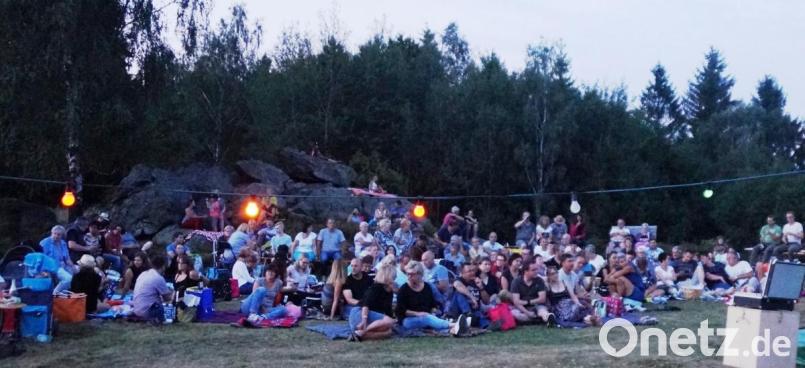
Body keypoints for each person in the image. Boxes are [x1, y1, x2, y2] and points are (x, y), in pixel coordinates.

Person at [396, 261, 466, 335]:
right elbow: (401, 310)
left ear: (420, 274)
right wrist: (418, 314)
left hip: (427, 315)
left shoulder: (427, 287)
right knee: (427, 319)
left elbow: (432, 304)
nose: (409, 277)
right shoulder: (403, 289)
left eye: (412, 274)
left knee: (432, 319)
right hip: (407, 320)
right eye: (408, 274)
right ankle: (454, 325)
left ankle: (454, 330)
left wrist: (434, 310)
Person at [348, 256, 397, 341]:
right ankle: (363, 331)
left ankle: (359, 336)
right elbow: (365, 304)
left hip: (372, 316)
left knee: (389, 331)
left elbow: (388, 311)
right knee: (390, 322)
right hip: (360, 313)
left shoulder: (389, 290)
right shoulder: (376, 287)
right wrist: (364, 320)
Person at [510, 260, 555, 325]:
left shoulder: (539, 280)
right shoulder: (516, 282)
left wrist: (528, 302)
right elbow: (516, 302)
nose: (536, 272)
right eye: (533, 270)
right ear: (526, 271)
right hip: (522, 308)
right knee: (514, 313)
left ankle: (547, 318)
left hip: (537, 305)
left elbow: (542, 299)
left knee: (542, 311)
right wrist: (527, 312)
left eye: (537, 269)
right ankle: (538, 319)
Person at [132, 255, 174, 323]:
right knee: (172, 305)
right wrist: (174, 293)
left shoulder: (143, 274)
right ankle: (168, 320)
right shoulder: (158, 278)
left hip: (137, 310)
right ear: (163, 266)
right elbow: (167, 298)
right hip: (148, 312)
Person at [447, 263, 489, 328]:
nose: (472, 273)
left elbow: (486, 302)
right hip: (458, 311)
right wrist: (472, 298)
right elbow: (457, 285)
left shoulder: (477, 281)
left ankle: (486, 325)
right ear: (462, 273)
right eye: (469, 271)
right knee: (458, 293)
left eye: (473, 270)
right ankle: (468, 314)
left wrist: (481, 288)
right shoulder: (459, 280)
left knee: (479, 315)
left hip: (474, 310)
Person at [40, 225, 76, 294]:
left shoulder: (63, 243)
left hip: (63, 265)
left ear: (62, 235)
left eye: (58, 234)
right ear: (51, 233)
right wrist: (43, 271)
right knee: (68, 279)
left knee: (78, 273)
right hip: (53, 266)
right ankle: (55, 293)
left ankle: (64, 295)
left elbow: (67, 258)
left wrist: (73, 267)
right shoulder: (45, 243)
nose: (56, 236)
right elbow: (41, 258)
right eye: (54, 233)